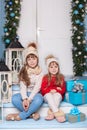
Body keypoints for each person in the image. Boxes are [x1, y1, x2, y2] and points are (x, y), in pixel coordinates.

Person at [6, 42, 43, 121]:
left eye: (33, 58)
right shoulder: (23, 71)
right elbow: (23, 87)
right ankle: (31, 114)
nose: (31, 61)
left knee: (39, 99)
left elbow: (37, 88)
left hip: (34, 95)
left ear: (37, 59)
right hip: (25, 94)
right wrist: (25, 99)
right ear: (26, 61)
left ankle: (22, 115)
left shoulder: (40, 72)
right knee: (14, 98)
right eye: (29, 59)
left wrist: (29, 100)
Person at [41, 54, 66, 123]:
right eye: (51, 67)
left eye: (56, 66)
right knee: (49, 96)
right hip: (47, 96)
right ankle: (58, 114)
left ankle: (51, 113)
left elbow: (63, 90)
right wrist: (50, 90)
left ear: (58, 68)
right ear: (48, 69)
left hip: (57, 95)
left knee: (57, 96)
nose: (54, 69)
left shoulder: (61, 77)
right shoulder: (45, 77)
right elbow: (43, 90)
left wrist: (56, 90)